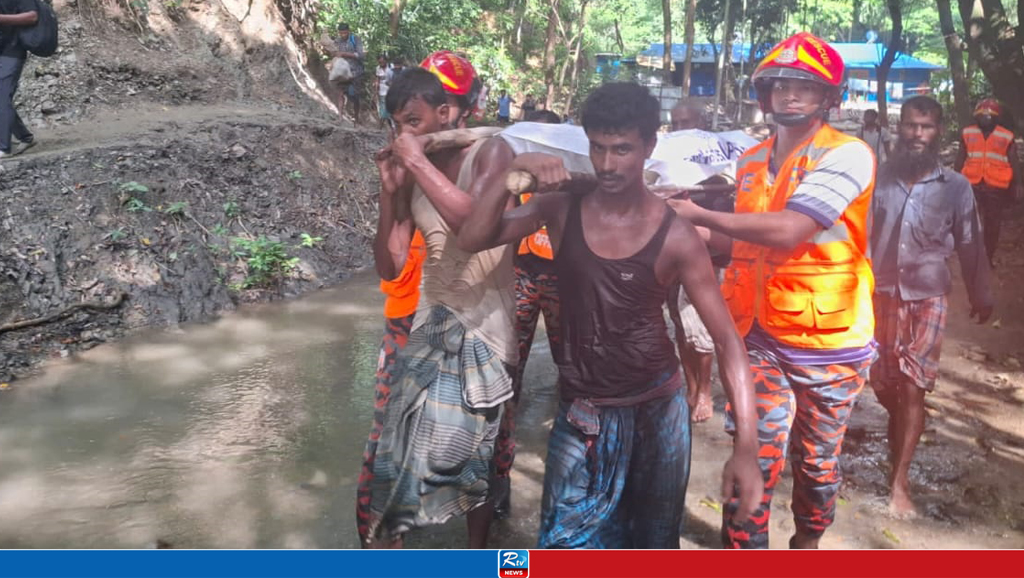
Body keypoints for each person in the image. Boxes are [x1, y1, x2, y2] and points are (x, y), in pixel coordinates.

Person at [458, 82, 762, 549]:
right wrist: (507, 176)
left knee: (652, 544)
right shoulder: (561, 207)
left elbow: (726, 340)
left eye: (622, 150)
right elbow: (474, 239)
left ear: (648, 147)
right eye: (597, 149)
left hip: (658, 411)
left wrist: (745, 448)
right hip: (583, 411)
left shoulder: (676, 235)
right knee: (562, 545)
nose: (606, 164)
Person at [669, 32, 877, 549]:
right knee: (753, 453)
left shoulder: (848, 154)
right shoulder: (751, 159)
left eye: (804, 87)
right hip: (756, 335)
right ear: (765, 94)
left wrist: (697, 213)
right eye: (780, 85)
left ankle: (807, 543)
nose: (789, 95)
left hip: (831, 341)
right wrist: (678, 224)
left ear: (828, 97)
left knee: (817, 465)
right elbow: (736, 236)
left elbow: (788, 229)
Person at [364, 67, 518, 549]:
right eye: (398, 124)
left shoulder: (492, 152)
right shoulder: (412, 172)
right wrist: (391, 192)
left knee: (479, 458)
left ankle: (478, 553)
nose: (403, 134)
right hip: (431, 323)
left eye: (414, 120)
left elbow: (473, 226)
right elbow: (390, 268)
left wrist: (417, 163)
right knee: (397, 451)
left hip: (486, 331)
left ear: (447, 114)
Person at [870, 96, 993, 516]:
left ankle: (900, 482)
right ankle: (900, 427)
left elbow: (970, 241)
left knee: (913, 386)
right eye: (909, 125)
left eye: (925, 126)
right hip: (881, 293)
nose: (916, 134)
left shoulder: (956, 186)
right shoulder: (880, 178)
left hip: (928, 294)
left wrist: (982, 293)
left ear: (938, 131)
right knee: (884, 385)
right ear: (899, 127)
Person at [491, 107, 563, 520]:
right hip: (520, 272)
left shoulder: (572, 179)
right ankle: (501, 463)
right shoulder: (513, 174)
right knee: (509, 364)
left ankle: (570, 447)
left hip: (560, 276)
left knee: (569, 360)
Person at [667, 98, 720, 423]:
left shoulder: (716, 170)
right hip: (671, 258)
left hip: (706, 259)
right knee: (679, 326)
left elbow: (721, 220)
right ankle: (690, 387)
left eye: (684, 123)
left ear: (700, 124)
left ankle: (704, 391)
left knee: (701, 331)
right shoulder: (666, 164)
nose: (678, 130)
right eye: (674, 124)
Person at [954, 98, 1023, 268]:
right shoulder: (968, 133)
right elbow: (960, 158)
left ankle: (987, 257)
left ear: (996, 117)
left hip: (996, 186)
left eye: (989, 116)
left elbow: (1013, 161)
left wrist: (1018, 184)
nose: (985, 119)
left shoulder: (1006, 136)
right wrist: (954, 181)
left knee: (993, 224)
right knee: (968, 222)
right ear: (976, 117)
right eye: (982, 116)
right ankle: (970, 256)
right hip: (971, 184)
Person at [0, 0, 38, 160]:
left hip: (13, 50)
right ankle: (25, 137)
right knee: (2, 98)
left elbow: (32, 17)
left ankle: (3, 147)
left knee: (2, 95)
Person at [332, 23, 365, 123]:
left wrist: (345, 54)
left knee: (355, 96)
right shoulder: (337, 41)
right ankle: (340, 117)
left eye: (345, 33)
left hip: (355, 71)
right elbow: (333, 52)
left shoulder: (355, 39)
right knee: (340, 93)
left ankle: (356, 117)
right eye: (341, 33)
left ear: (348, 31)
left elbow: (361, 55)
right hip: (342, 71)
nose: (343, 35)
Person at [374, 54, 394, 129]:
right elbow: (377, 79)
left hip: (391, 91)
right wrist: (376, 90)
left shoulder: (391, 67)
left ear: (386, 61)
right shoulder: (378, 68)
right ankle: (382, 126)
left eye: (382, 62)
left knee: (388, 109)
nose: (381, 64)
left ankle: (381, 126)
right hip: (382, 91)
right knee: (384, 108)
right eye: (380, 62)